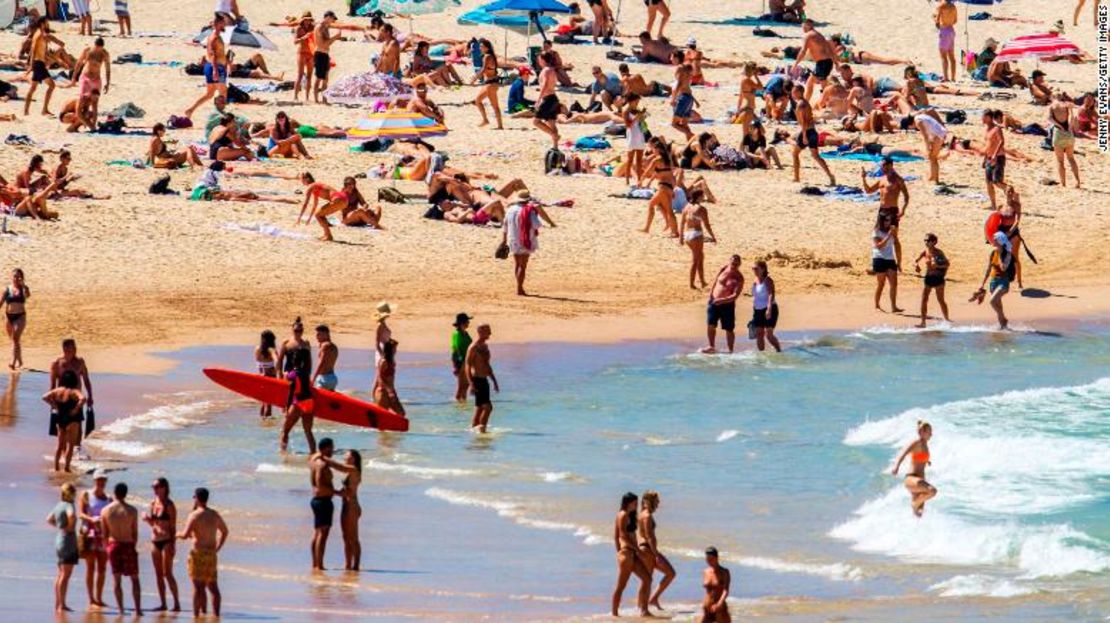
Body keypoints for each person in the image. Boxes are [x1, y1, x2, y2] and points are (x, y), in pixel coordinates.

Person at [177, 487, 229, 618]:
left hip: (198, 553)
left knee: (197, 587)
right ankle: (216, 615)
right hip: (211, 553)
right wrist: (218, 547)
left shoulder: (194, 515)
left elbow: (185, 534)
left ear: (197, 498)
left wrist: (176, 534)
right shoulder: (214, 514)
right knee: (213, 587)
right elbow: (225, 531)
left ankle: (196, 616)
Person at [861, 157, 909, 268]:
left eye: (885, 165)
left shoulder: (898, 179)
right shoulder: (881, 179)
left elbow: (906, 196)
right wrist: (863, 179)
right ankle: (877, 261)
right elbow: (868, 191)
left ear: (891, 165)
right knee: (876, 235)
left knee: (894, 237)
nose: (883, 168)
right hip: (882, 211)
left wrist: (903, 210)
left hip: (892, 211)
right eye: (882, 166)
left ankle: (899, 263)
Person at [101, 482, 141, 616]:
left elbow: (104, 534)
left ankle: (121, 609)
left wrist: (107, 548)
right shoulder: (132, 510)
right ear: (126, 493)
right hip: (128, 544)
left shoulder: (106, 510)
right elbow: (135, 533)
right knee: (134, 579)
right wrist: (133, 545)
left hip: (114, 545)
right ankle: (138, 609)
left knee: (116, 580)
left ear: (114, 493)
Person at [278, 317, 316, 454]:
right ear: (292, 330)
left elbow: (291, 391)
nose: (298, 332)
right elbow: (281, 360)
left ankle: (282, 456)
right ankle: (314, 455)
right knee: (308, 432)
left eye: (300, 330)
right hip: (309, 402)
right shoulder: (287, 343)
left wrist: (286, 408)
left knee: (285, 430)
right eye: (296, 330)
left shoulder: (292, 375)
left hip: (298, 401)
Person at [142, 478, 180, 612]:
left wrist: (173, 544)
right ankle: (163, 603)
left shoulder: (169, 505)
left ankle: (176, 603)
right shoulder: (153, 503)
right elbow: (154, 523)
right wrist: (148, 520)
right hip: (155, 541)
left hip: (167, 541)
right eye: (153, 487)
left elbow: (173, 527)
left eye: (157, 487)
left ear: (164, 488)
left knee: (167, 573)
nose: (155, 490)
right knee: (158, 574)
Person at [612, 492, 652, 617]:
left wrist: (618, 551)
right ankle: (614, 614)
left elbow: (616, 536)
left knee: (647, 579)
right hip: (628, 554)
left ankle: (643, 610)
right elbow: (623, 535)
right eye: (635, 503)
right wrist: (636, 550)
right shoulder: (623, 515)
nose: (636, 505)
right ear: (628, 503)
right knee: (621, 586)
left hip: (630, 554)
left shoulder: (624, 514)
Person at [185, 15, 230, 119]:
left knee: (209, 94)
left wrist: (227, 60)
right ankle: (221, 114)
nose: (225, 25)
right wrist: (215, 70)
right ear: (219, 24)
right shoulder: (214, 37)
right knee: (223, 92)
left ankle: (190, 110)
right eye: (224, 23)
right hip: (216, 67)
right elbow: (212, 54)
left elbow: (217, 53)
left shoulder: (215, 36)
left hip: (212, 66)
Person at [504, 202, 554, 296]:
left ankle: (519, 287)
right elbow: (537, 225)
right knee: (523, 266)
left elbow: (505, 226)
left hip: (513, 239)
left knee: (517, 264)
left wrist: (503, 241)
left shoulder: (510, 210)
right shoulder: (529, 211)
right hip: (525, 240)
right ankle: (519, 289)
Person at [791, 84, 836, 185]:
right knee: (816, 156)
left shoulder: (800, 105)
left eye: (794, 92)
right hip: (812, 131)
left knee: (795, 153)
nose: (792, 94)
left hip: (806, 132)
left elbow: (803, 122)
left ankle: (796, 177)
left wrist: (803, 136)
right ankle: (830, 175)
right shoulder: (806, 103)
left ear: (799, 92)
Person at [309, 438, 343, 570]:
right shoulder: (322, 465)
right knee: (323, 535)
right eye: (331, 448)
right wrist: (338, 493)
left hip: (316, 501)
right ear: (326, 448)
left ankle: (315, 563)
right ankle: (320, 565)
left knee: (317, 533)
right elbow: (320, 485)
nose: (333, 451)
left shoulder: (313, 460)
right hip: (323, 501)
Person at [79, 471, 111, 608]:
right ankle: (91, 598)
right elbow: (80, 513)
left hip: (103, 536)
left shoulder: (109, 499)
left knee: (102, 568)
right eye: (99, 480)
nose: (101, 483)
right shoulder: (86, 495)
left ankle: (99, 597)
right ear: (95, 480)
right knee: (90, 567)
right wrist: (91, 519)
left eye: (103, 480)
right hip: (90, 534)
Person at [638, 491, 675, 610]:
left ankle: (645, 604)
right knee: (668, 573)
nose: (658, 503)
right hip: (648, 550)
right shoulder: (647, 516)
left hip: (644, 549)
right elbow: (649, 536)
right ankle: (644, 608)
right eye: (657, 501)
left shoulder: (642, 514)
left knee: (647, 579)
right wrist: (656, 554)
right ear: (650, 502)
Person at [891, 421, 937, 517]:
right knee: (932, 491)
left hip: (920, 481)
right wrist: (896, 467)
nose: (931, 434)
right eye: (929, 432)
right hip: (912, 479)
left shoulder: (925, 445)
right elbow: (903, 454)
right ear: (922, 432)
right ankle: (914, 504)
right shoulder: (917, 442)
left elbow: (918, 459)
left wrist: (927, 461)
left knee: (918, 515)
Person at [43, 370, 85, 473]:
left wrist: (55, 406)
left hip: (60, 417)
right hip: (72, 419)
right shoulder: (74, 391)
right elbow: (83, 398)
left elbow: (44, 397)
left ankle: (56, 467)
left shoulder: (58, 390)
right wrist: (76, 409)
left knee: (60, 445)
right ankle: (66, 467)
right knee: (70, 445)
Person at [46, 483, 79, 612]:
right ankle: (62, 604)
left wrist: (60, 527)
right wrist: (69, 527)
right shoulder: (69, 505)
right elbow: (72, 515)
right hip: (68, 541)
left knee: (60, 574)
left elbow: (49, 519)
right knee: (66, 574)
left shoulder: (59, 505)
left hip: (59, 539)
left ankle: (58, 602)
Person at [973, 231, 1015, 329]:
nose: (993, 240)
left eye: (995, 239)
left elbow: (1003, 268)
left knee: (992, 301)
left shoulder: (1007, 254)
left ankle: (1004, 319)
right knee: (998, 306)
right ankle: (1003, 327)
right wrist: (982, 284)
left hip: (1003, 282)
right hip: (993, 281)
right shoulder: (992, 253)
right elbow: (988, 269)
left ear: (1000, 241)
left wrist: (1000, 254)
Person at [703, 255, 743, 354]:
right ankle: (711, 346)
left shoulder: (739, 278)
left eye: (737, 264)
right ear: (729, 261)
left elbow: (735, 295)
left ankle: (731, 351)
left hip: (727, 305)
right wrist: (711, 294)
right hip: (714, 302)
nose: (734, 265)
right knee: (711, 324)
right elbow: (716, 282)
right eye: (733, 263)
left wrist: (722, 300)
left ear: (739, 265)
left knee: (729, 329)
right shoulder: (724, 268)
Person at [463, 324, 499, 433]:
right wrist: (471, 384)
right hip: (477, 380)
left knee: (479, 408)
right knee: (488, 408)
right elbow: (467, 365)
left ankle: (475, 430)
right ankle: (482, 432)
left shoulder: (485, 346)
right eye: (488, 331)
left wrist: (494, 380)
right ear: (480, 332)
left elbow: (487, 364)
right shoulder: (473, 347)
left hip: (484, 379)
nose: (490, 333)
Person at [297, 173, 353, 242]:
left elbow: (305, 204)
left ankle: (328, 235)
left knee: (318, 215)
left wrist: (299, 218)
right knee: (319, 214)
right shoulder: (315, 186)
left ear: (307, 179)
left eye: (301, 179)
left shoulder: (311, 187)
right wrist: (309, 218)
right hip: (344, 200)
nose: (300, 180)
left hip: (338, 199)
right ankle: (327, 234)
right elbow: (315, 205)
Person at [24, 17, 62, 117]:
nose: (48, 24)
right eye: (46, 23)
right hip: (38, 64)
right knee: (51, 86)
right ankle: (44, 110)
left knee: (33, 88)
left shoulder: (40, 34)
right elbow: (33, 50)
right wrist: (31, 65)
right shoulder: (39, 35)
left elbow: (39, 51)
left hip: (39, 63)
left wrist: (50, 60)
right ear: (42, 24)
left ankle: (26, 111)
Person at [642, 137, 679, 237]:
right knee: (665, 208)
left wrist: (641, 181)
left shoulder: (656, 160)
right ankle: (673, 230)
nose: (653, 150)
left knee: (654, 205)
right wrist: (674, 189)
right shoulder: (668, 160)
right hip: (669, 186)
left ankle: (674, 232)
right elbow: (672, 175)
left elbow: (647, 171)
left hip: (662, 187)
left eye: (654, 149)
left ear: (658, 150)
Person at [679, 190, 716, 290]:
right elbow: (706, 225)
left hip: (687, 235)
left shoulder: (686, 207)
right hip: (696, 234)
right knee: (695, 260)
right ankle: (691, 284)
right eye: (702, 196)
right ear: (699, 197)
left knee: (700, 257)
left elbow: (682, 223)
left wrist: (680, 238)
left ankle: (702, 281)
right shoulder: (701, 209)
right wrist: (713, 236)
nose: (703, 197)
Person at [792, 20, 835, 102]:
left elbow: (803, 51)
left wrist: (796, 64)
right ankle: (821, 103)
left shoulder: (808, 35)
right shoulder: (818, 34)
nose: (803, 29)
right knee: (819, 84)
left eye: (803, 27)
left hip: (822, 63)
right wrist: (836, 62)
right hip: (827, 62)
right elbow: (829, 49)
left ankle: (807, 102)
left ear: (807, 26)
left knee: (814, 83)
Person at [913, 233, 950, 327]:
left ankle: (947, 320)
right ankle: (923, 322)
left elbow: (947, 264)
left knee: (941, 300)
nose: (926, 242)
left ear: (934, 242)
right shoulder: (925, 252)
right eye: (925, 240)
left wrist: (937, 265)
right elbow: (915, 260)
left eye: (928, 240)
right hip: (928, 278)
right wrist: (916, 265)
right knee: (924, 299)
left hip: (938, 278)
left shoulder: (939, 253)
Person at [73, 37, 110, 124]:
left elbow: (108, 69)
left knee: (94, 104)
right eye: (96, 48)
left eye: (99, 49)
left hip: (96, 79)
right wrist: (74, 77)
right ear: (94, 45)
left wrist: (107, 83)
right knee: (81, 103)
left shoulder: (105, 54)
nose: (98, 50)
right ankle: (89, 125)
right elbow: (78, 63)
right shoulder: (87, 50)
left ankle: (93, 125)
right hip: (85, 78)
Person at [1048, 93, 1081, 188]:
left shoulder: (1052, 106)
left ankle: (1063, 184)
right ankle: (1077, 181)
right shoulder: (1067, 105)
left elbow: (1049, 118)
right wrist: (1069, 127)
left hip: (1058, 133)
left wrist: (1059, 126)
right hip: (1069, 134)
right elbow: (1072, 117)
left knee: (1060, 161)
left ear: (1052, 97)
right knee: (1071, 158)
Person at [872, 215, 902, 313]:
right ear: (881, 221)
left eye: (889, 220)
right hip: (879, 258)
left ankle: (894, 307)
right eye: (886, 220)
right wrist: (889, 234)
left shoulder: (892, 231)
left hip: (890, 258)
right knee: (881, 283)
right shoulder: (876, 231)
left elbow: (897, 246)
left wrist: (899, 261)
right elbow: (880, 246)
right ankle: (877, 305)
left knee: (894, 284)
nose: (888, 223)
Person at [473, 39, 504, 130]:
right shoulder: (491, 56)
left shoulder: (487, 57)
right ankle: (495, 124)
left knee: (480, 101)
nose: (480, 48)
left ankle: (489, 121)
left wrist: (474, 79)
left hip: (490, 84)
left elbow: (483, 69)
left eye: (482, 46)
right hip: (492, 83)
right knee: (479, 101)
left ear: (487, 48)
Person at [751, 261, 781, 352]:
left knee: (769, 335)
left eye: (756, 268)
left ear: (763, 269)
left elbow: (771, 295)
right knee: (759, 334)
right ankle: (761, 356)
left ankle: (779, 351)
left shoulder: (767, 280)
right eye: (753, 269)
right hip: (758, 310)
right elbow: (755, 296)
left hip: (769, 308)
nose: (754, 270)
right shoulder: (755, 281)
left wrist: (769, 309)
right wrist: (754, 310)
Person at [2, 268, 30, 370]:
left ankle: (13, 362)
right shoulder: (7, 289)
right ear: (12, 277)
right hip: (9, 317)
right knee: (14, 341)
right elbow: (1, 302)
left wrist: (25, 287)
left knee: (15, 338)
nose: (16, 278)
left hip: (20, 316)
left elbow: (28, 295)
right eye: (15, 276)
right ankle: (20, 361)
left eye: (18, 277)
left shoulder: (23, 289)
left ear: (22, 278)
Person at [313, 11, 343, 104]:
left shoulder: (325, 27)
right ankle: (316, 100)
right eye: (332, 18)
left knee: (325, 78)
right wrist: (335, 37)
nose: (333, 21)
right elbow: (323, 44)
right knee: (319, 77)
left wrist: (336, 38)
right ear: (327, 17)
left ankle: (324, 99)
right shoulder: (320, 27)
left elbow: (326, 44)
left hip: (325, 54)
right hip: (320, 53)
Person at [982, 110, 1009, 210]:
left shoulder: (997, 129)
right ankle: (993, 205)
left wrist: (995, 154)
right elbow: (988, 145)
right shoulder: (987, 130)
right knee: (989, 182)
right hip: (989, 158)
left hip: (998, 157)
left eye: (984, 117)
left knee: (997, 181)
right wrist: (985, 158)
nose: (982, 119)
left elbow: (1002, 141)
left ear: (989, 117)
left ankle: (1010, 193)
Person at [534, 52, 561, 147]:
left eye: (539, 59)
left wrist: (538, 99)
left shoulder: (545, 70)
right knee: (551, 123)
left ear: (543, 59)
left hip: (548, 98)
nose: (538, 60)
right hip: (553, 98)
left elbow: (545, 85)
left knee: (536, 121)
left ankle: (555, 135)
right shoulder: (552, 70)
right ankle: (555, 146)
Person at [698, 547, 731, 623]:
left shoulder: (724, 572)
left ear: (716, 558)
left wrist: (719, 603)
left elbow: (726, 590)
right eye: (707, 559)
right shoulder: (705, 571)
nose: (708, 561)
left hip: (720, 608)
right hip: (707, 607)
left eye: (711, 558)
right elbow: (708, 591)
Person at [373, 339, 405, 415]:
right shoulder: (384, 361)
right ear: (390, 349)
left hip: (391, 391)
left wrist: (392, 391)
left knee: (401, 413)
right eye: (394, 348)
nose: (396, 350)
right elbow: (380, 377)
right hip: (383, 392)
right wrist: (389, 390)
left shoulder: (391, 361)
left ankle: (392, 427)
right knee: (383, 417)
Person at [670, 53, 697, 141]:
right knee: (684, 124)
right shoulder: (686, 68)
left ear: (677, 58)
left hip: (683, 98)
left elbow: (679, 84)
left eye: (672, 57)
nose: (670, 59)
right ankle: (689, 143)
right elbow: (686, 85)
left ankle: (695, 137)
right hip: (689, 98)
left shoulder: (680, 68)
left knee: (674, 124)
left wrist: (673, 99)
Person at [622, 94, 647, 186]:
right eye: (636, 101)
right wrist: (637, 117)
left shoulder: (637, 110)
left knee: (639, 159)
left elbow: (641, 122)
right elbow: (628, 125)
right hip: (632, 135)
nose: (637, 103)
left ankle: (639, 180)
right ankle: (627, 180)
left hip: (639, 134)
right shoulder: (625, 111)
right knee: (630, 159)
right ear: (631, 101)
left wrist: (643, 115)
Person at [255, 330, 279, 418]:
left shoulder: (257, 349)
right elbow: (277, 361)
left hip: (260, 377)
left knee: (263, 402)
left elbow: (259, 364)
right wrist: (275, 371)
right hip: (270, 378)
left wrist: (263, 372)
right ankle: (267, 425)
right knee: (269, 404)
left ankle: (262, 421)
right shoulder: (271, 350)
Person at [450, 313, 474, 402]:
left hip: (468, 361)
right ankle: (458, 402)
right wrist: (455, 366)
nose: (468, 323)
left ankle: (463, 404)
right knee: (461, 386)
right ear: (462, 323)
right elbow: (455, 349)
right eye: (467, 321)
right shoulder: (457, 334)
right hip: (460, 362)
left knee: (466, 385)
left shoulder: (466, 333)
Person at [293, 12, 316, 101]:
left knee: (309, 76)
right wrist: (304, 37)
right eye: (305, 19)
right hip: (302, 52)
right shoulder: (299, 28)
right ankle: (295, 96)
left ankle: (307, 97)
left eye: (309, 19)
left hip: (311, 53)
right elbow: (295, 42)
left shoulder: (313, 28)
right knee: (300, 75)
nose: (307, 21)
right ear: (303, 19)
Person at [311, 324, 338, 393]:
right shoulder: (334, 347)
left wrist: (313, 379)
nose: (316, 337)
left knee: (318, 400)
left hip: (324, 378)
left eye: (319, 334)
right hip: (332, 378)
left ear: (326, 334)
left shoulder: (325, 345)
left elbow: (322, 363)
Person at [935, 0, 958, 82]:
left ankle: (946, 77)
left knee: (943, 56)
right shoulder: (953, 6)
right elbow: (955, 21)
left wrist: (935, 19)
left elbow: (937, 21)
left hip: (944, 30)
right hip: (951, 30)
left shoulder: (941, 6)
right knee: (952, 56)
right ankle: (953, 77)